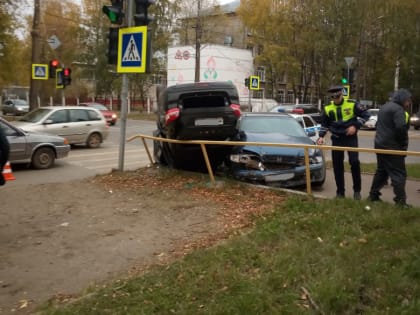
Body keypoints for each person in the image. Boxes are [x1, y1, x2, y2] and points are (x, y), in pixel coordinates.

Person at [317, 85, 370, 199]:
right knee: (337, 166)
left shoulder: (352, 104)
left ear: (342, 94)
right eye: (333, 97)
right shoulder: (327, 108)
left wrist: (355, 126)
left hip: (351, 138)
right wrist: (321, 136)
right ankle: (340, 192)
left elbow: (366, 114)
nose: (336, 98)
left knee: (354, 162)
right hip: (336, 139)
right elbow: (325, 124)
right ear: (331, 97)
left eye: (338, 96)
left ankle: (357, 191)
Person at [368, 89, 412, 207]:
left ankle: (373, 195)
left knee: (381, 171)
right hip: (392, 147)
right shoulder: (398, 109)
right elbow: (401, 129)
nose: (408, 104)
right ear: (402, 99)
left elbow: (379, 126)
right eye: (408, 101)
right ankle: (400, 201)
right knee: (398, 174)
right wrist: (403, 146)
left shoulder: (384, 107)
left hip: (380, 144)